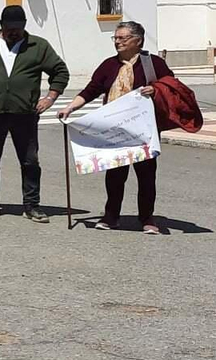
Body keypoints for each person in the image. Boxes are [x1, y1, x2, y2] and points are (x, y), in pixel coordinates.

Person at [0, 5, 69, 222]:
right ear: (1, 25)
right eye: (10, 28)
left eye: (18, 28)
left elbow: (60, 71)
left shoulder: (38, 46)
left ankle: (32, 205)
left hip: (25, 114)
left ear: (24, 25)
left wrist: (50, 98)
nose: (14, 32)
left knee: (29, 161)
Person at [58, 21, 171, 235]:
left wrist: (155, 89)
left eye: (123, 38)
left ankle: (147, 219)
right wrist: (70, 108)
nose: (118, 42)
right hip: (115, 131)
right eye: (116, 38)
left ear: (137, 41)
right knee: (115, 176)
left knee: (146, 176)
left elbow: (171, 86)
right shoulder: (109, 65)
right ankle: (111, 216)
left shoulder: (152, 64)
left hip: (143, 132)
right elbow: (91, 90)